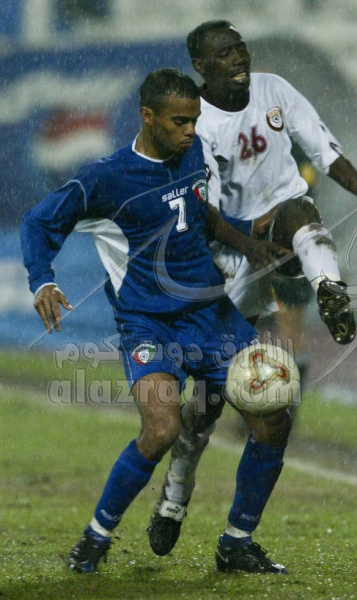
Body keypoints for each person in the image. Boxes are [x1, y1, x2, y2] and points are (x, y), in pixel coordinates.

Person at [147, 20, 357, 558]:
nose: (239, 57)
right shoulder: (195, 125)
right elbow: (204, 216)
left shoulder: (274, 90)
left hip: (280, 236)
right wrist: (249, 242)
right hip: (228, 259)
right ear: (201, 66)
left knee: (298, 211)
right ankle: (175, 494)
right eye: (224, 52)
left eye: (240, 47)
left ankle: (330, 289)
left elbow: (325, 152)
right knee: (204, 406)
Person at [21, 68, 292, 575]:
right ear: (148, 117)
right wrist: (42, 280)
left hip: (212, 317)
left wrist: (250, 239)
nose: (191, 131)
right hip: (150, 325)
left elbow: (201, 216)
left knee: (274, 417)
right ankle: (95, 538)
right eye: (179, 122)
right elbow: (39, 221)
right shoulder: (107, 178)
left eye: (194, 120)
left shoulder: (191, 153)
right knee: (163, 427)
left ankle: (237, 543)